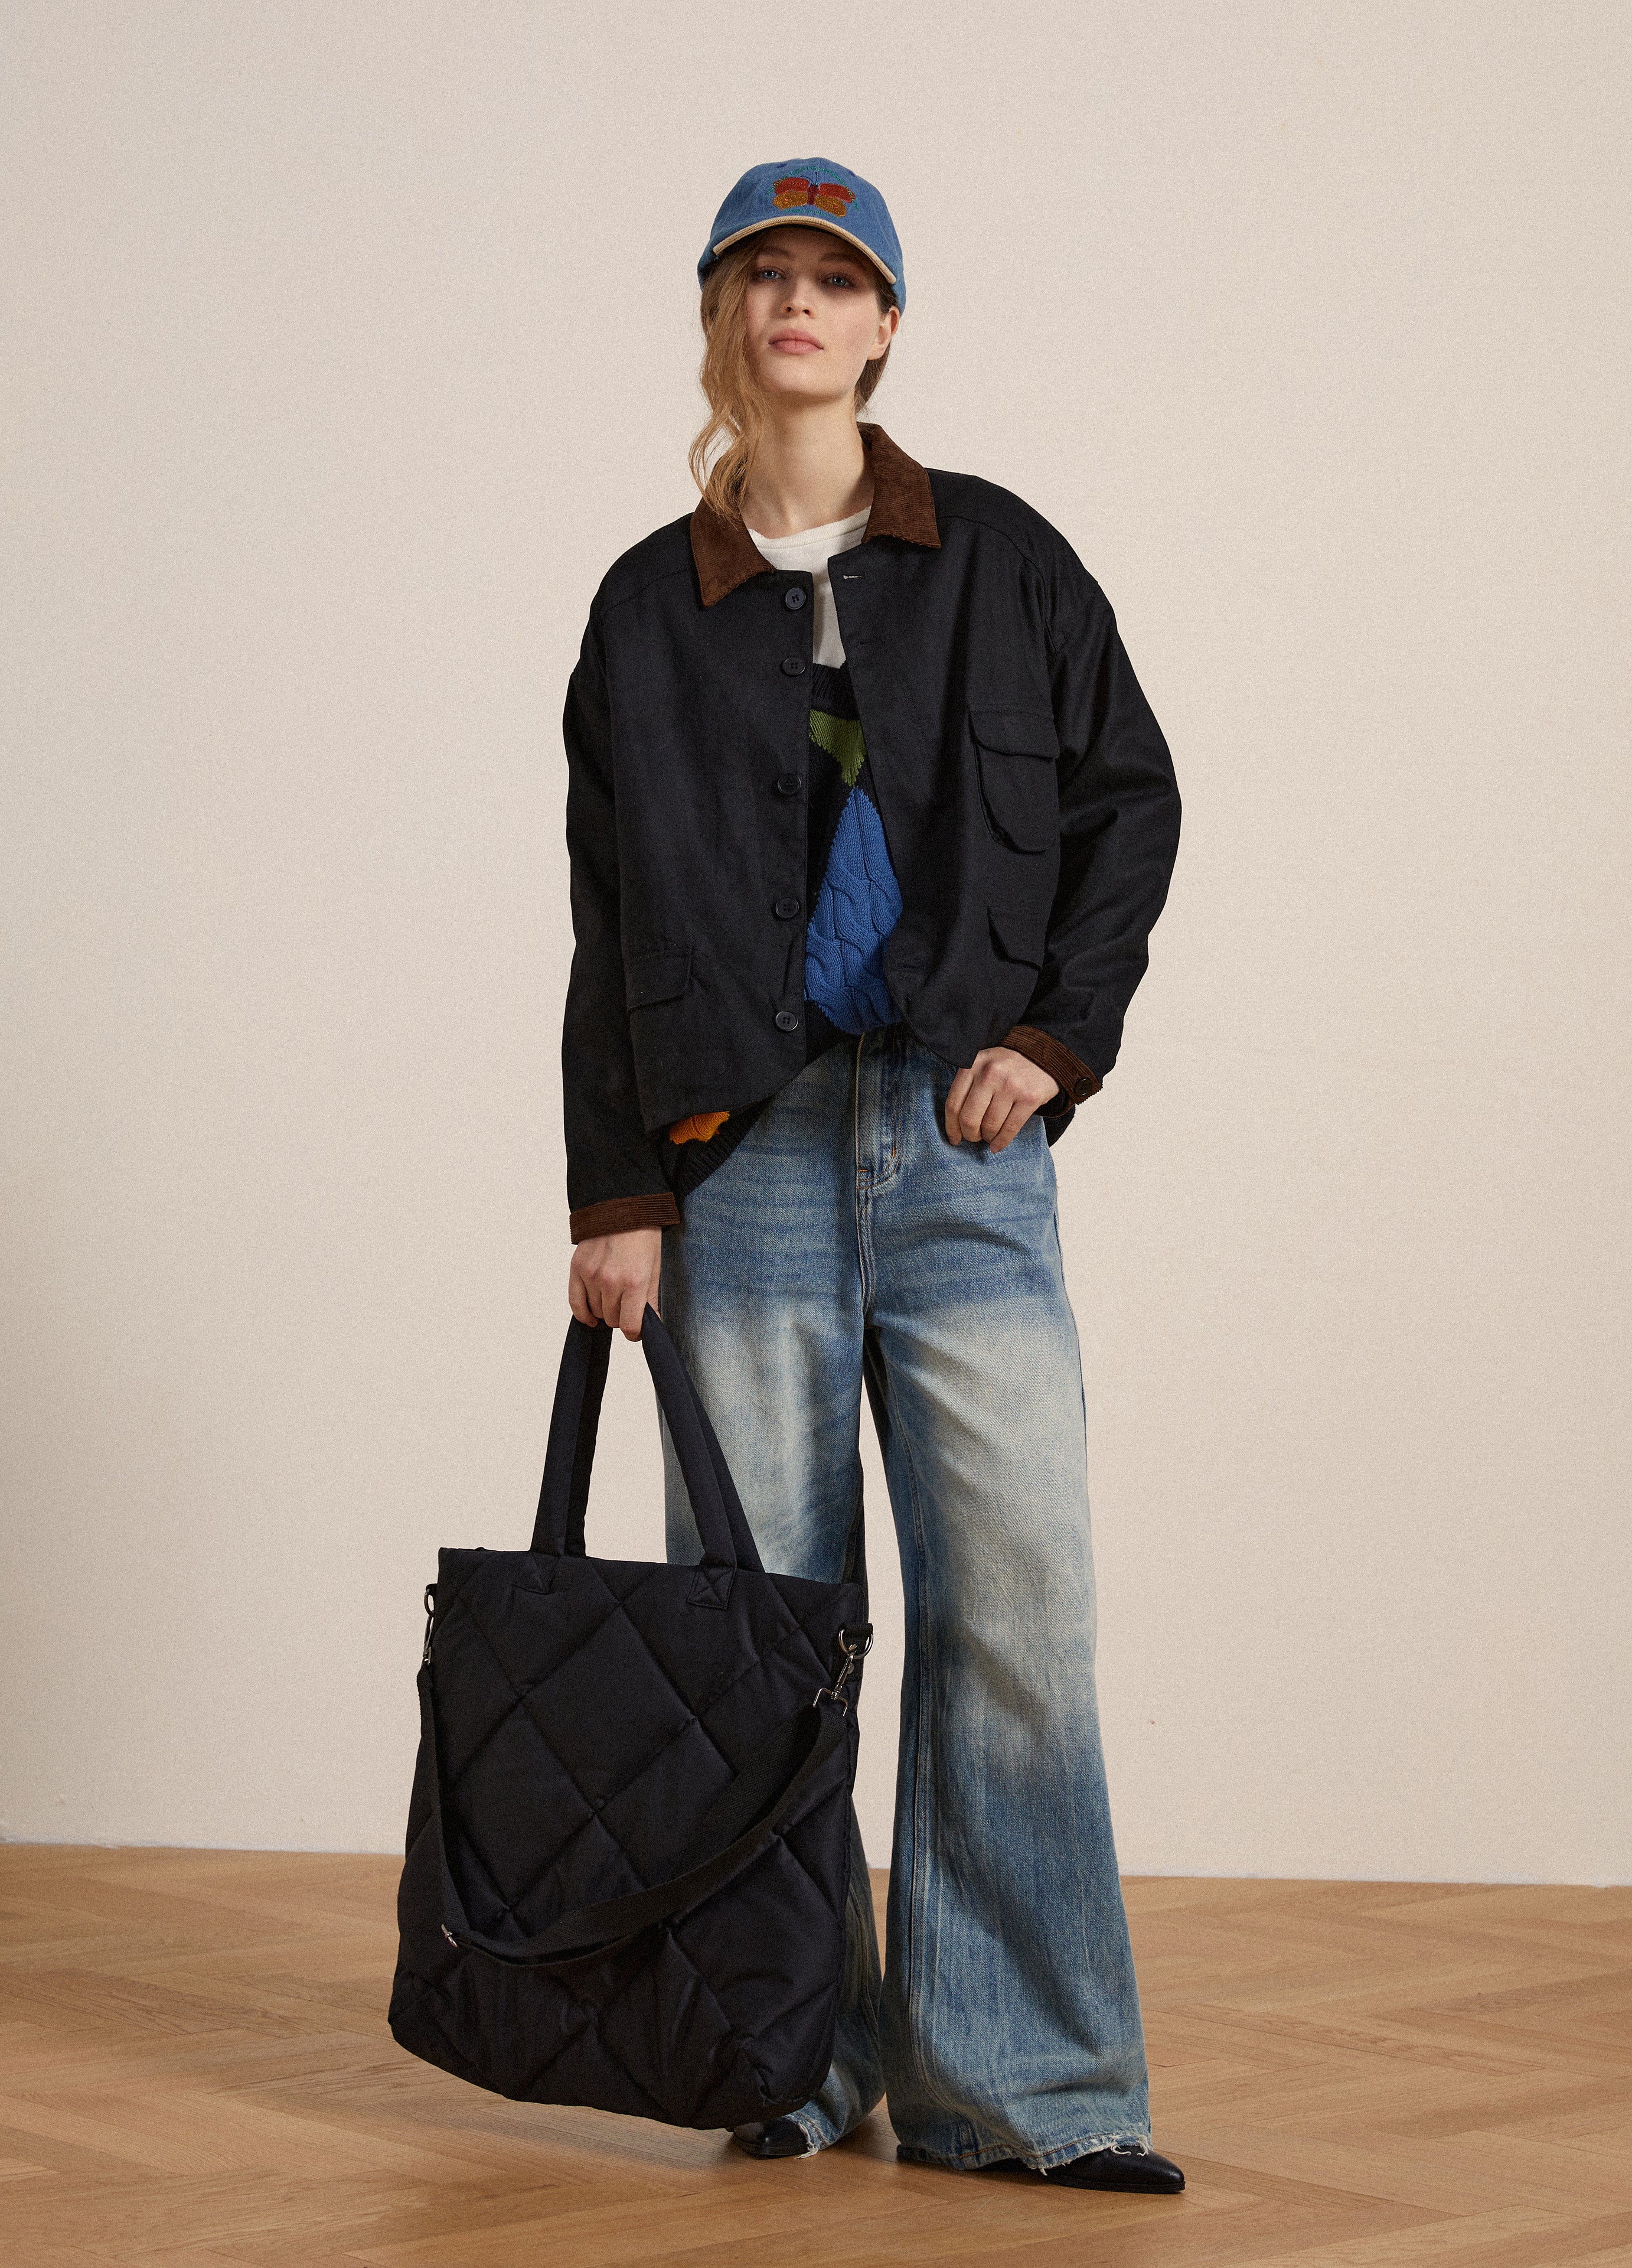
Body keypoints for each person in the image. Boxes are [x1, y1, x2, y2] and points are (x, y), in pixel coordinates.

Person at [559, 157, 1184, 2194]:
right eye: (766, 275)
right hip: (730, 1162)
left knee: (1020, 1607)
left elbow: (1128, 804)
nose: (800, 306)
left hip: (957, 1147)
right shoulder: (648, 607)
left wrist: (1055, 1036)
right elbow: (606, 914)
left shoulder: (1003, 561)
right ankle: (788, 2052)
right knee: (763, 1623)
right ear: (725, 320)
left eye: (838, 277)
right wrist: (612, 1195)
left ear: (890, 323)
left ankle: (1031, 2091)